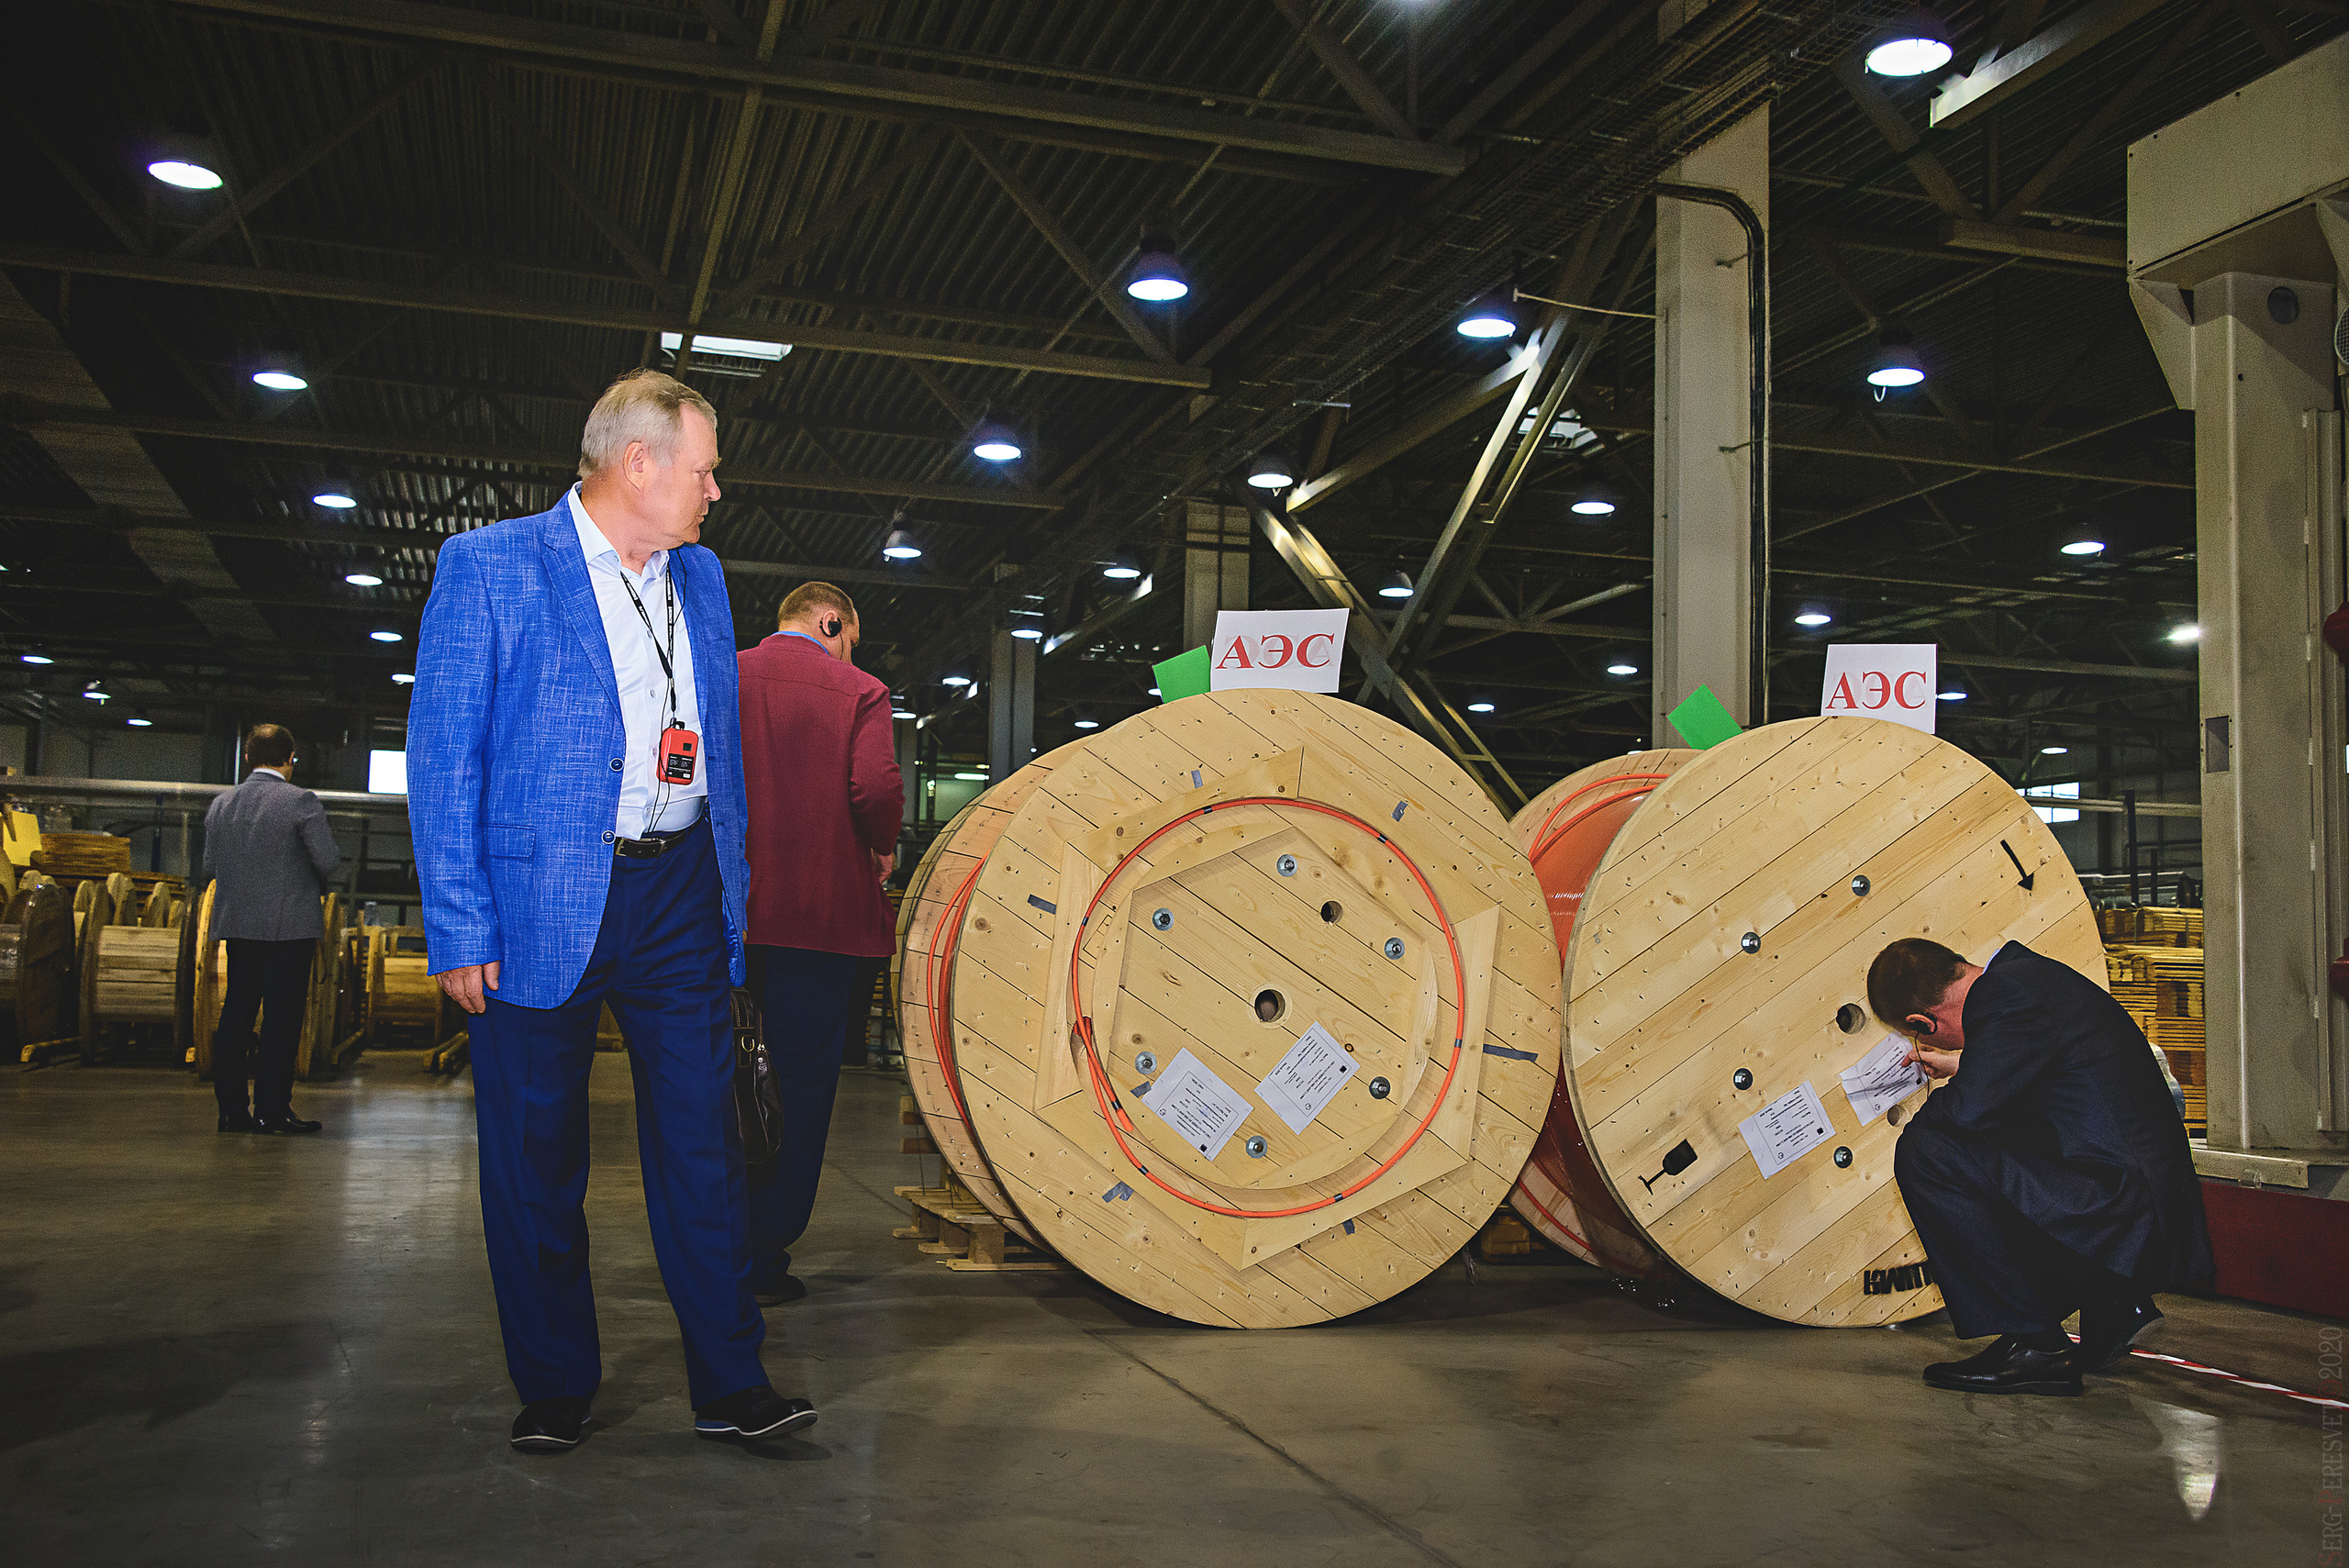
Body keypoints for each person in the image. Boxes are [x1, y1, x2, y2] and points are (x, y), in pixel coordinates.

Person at [407, 369, 816, 1454]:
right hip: (538, 899)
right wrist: (458, 925)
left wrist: (731, 892)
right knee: (534, 1156)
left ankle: (730, 1380)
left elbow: (713, 743)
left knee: (705, 1145)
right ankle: (553, 1382)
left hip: (679, 889)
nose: (715, 491)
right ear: (638, 463)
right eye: (704, 466)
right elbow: (444, 757)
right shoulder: (490, 567)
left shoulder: (706, 576)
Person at [1870, 937, 2213, 1397]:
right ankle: (2111, 1302)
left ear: (1922, 1022)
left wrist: (1964, 1082)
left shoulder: (2005, 996)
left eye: (1918, 1035)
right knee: (1986, 1140)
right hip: (2139, 1196)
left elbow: (1968, 1114)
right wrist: (1966, 1064)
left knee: (1927, 1149)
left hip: (2128, 1206)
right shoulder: (2025, 976)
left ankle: (2038, 1346)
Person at [736, 582, 904, 1305]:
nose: (848, 651)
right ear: (832, 621)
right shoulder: (860, 691)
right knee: (799, 1087)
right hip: (821, 924)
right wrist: (883, 847)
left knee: (715, 1082)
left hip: (724, 921)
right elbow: (874, 787)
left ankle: (709, 1253)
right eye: (848, 636)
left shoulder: (723, 670)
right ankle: (765, 1256)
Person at [202, 723, 339, 1134]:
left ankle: (230, 1112)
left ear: (247, 757)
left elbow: (209, 867)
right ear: (289, 759)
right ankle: (271, 1111)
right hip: (289, 930)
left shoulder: (221, 805)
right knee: (281, 1020)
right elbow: (328, 861)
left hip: (237, 926)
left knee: (236, 1016)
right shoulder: (301, 802)